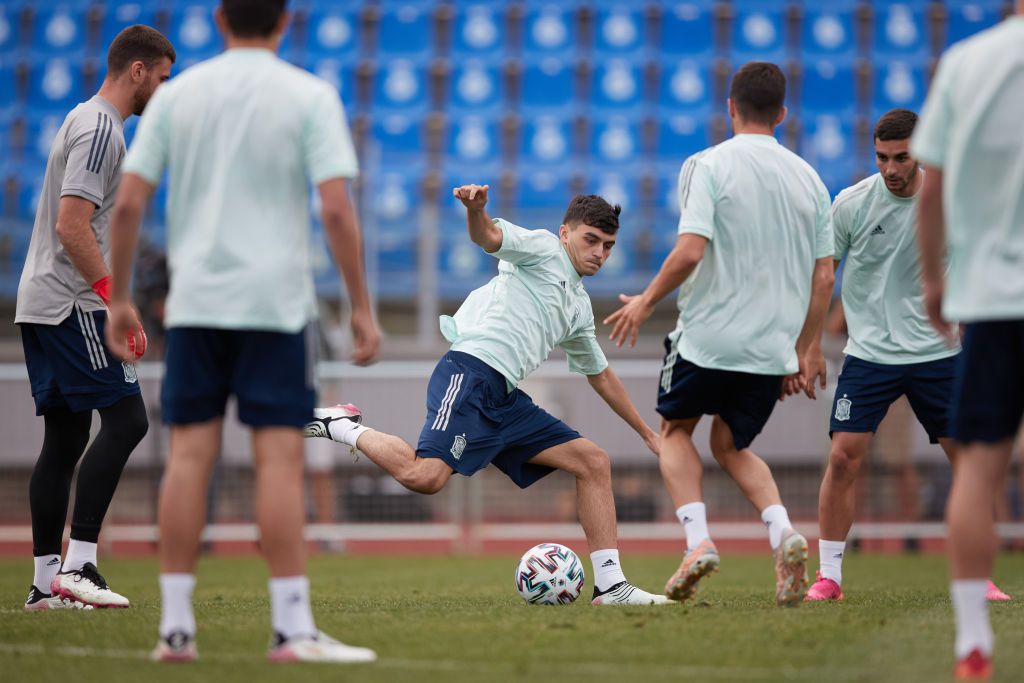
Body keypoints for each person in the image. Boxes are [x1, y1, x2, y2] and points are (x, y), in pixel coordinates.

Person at [104, 0, 380, 664]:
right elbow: (337, 209)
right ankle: (291, 629)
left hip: (195, 304)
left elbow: (132, 200)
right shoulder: (310, 96)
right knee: (278, 461)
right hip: (275, 307)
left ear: (220, 20)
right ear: (284, 22)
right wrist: (362, 307)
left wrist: (118, 300)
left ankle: (175, 629)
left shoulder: (179, 95)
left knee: (189, 458)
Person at [308, 187, 670, 606]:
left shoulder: (578, 306)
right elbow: (489, 238)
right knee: (424, 478)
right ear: (564, 233)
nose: (600, 253)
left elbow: (601, 376)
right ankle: (340, 426)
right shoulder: (542, 249)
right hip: (469, 373)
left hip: (505, 397)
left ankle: (611, 586)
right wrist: (476, 211)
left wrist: (647, 432)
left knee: (593, 462)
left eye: (608, 246)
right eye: (591, 240)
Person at [603, 62, 834, 607]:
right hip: (771, 346)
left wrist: (645, 301)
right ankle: (783, 534)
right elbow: (824, 276)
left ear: (730, 107)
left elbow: (690, 250)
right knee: (731, 444)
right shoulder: (811, 180)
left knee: (676, 432)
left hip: (708, 337)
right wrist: (805, 349)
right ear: (782, 113)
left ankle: (696, 542)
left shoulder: (708, 165)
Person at [805, 109, 1009, 603]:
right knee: (842, 458)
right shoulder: (852, 203)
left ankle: (976, 576)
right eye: (881, 157)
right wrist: (809, 345)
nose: (891, 168)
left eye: (901, 157)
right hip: (870, 354)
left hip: (938, 353)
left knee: (970, 466)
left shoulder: (951, 201)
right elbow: (822, 275)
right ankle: (829, 576)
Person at [15, 25, 175, 611]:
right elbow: (71, 224)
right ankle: (80, 563)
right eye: (161, 77)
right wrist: (117, 299)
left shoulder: (81, 117)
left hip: (43, 300)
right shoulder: (103, 129)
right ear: (137, 71)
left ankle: (43, 584)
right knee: (129, 420)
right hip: (72, 302)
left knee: (64, 438)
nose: (163, 88)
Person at [912, 7, 1024, 679]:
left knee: (979, 464)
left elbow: (933, 191)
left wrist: (933, 282)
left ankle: (972, 641)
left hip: (990, 297)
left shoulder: (968, 61)